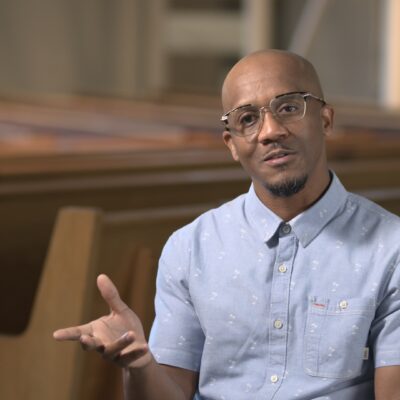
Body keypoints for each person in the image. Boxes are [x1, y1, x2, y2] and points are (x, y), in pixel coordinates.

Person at [54, 49, 400, 400]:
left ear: (325, 119)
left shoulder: (392, 249)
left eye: (289, 108)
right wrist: (141, 365)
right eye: (247, 119)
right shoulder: (190, 248)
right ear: (231, 144)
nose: (270, 131)